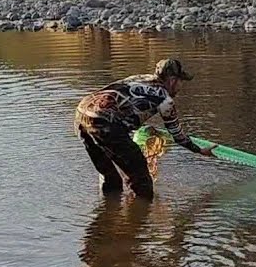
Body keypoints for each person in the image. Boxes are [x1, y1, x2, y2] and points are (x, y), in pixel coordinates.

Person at [74, 58, 217, 199]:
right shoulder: (165, 100)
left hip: (82, 112)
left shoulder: (140, 78)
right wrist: (198, 150)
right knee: (141, 180)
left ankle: (109, 210)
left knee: (109, 175)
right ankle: (140, 216)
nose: (181, 86)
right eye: (181, 81)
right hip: (105, 123)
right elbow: (177, 134)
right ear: (172, 80)